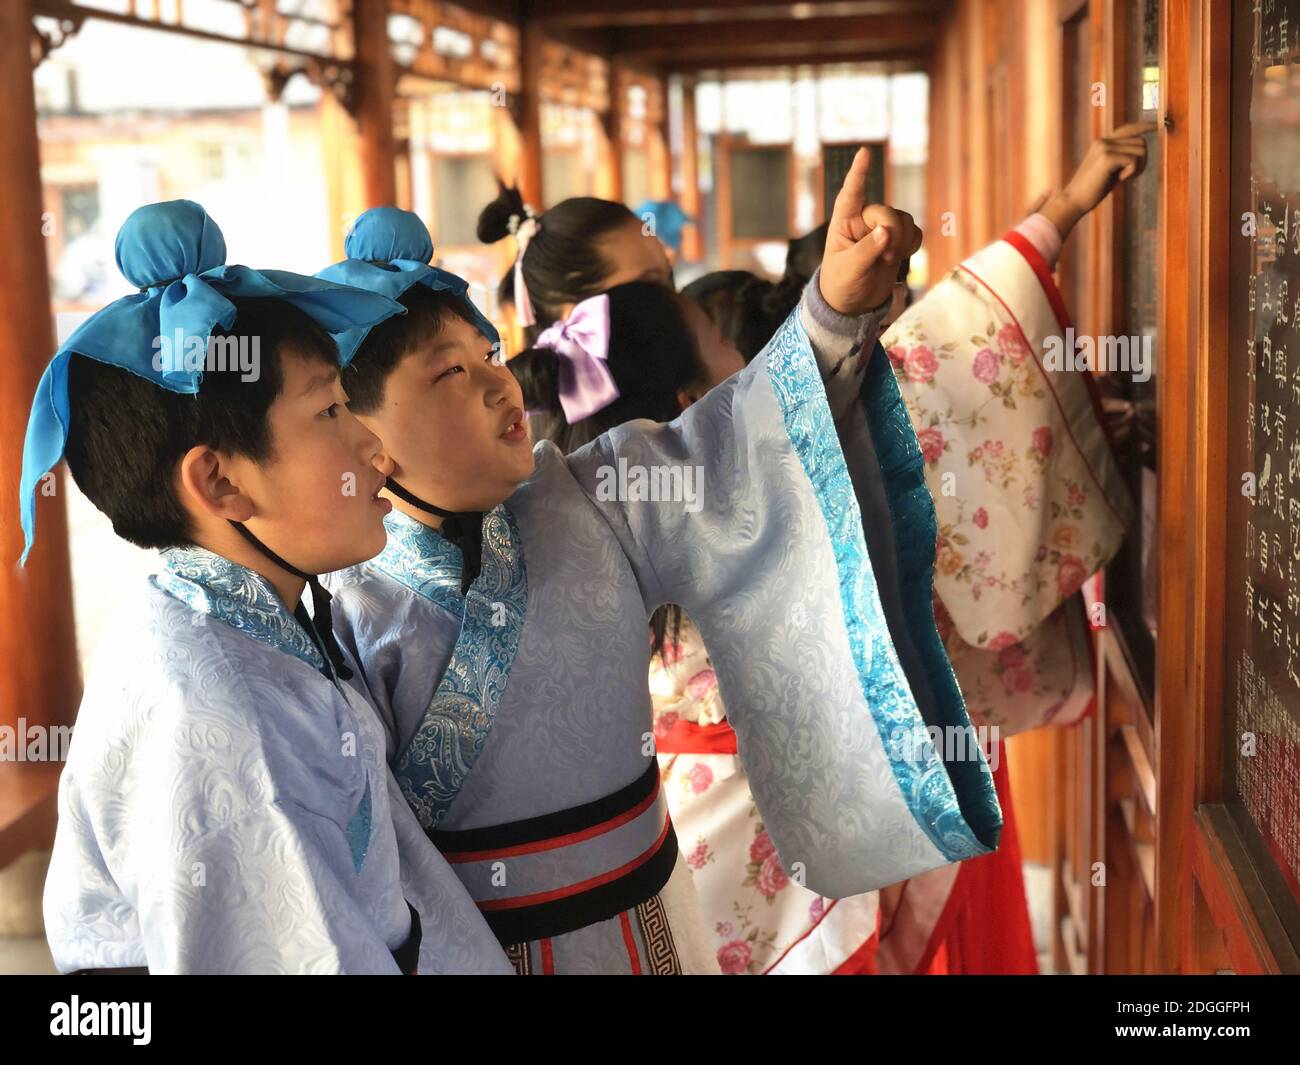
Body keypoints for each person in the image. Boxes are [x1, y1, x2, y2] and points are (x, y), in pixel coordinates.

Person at [321, 155, 1002, 975]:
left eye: (490, 356)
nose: (499, 388)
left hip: (652, 923)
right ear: (367, 437)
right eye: (449, 374)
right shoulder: (342, 608)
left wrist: (832, 311)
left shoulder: (587, 496)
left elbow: (737, 441)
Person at [23, 200, 512, 975]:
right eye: (328, 409)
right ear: (218, 480)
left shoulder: (236, 621)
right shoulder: (215, 721)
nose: (370, 443)